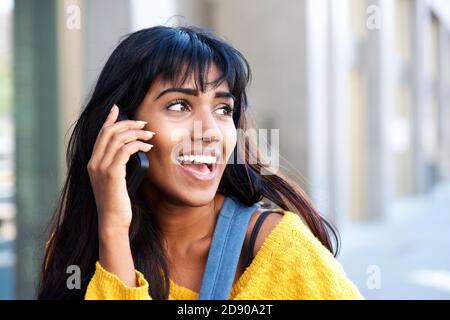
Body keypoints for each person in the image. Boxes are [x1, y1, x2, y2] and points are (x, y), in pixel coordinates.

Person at [37, 25, 362, 300]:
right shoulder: (77, 246)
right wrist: (113, 230)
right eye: (179, 105)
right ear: (120, 127)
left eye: (223, 110)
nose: (211, 132)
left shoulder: (277, 248)